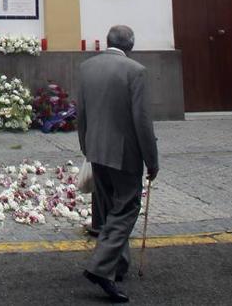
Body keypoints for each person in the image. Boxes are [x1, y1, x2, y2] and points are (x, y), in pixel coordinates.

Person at [76, 25, 159, 303]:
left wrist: (86, 148)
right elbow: (142, 122)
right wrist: (152, 160)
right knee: (126, 209)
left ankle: (118, 265)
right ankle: (101, 267)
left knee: (109, 208)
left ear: (107, 42)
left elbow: (82, 114)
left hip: (96, 150)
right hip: (125, 155)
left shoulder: (87, 68)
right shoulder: (135, 71)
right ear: (130, 45)